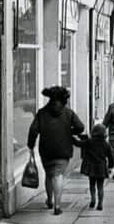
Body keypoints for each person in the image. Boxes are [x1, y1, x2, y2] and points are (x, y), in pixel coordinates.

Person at [27, 86, 85, 215]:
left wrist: (30, 145)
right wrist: (70, 131)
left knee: (49, 174)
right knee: (58, 175)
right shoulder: (68, 113)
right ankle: (57, 206)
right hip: (63, 148)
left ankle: (49, 200)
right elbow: (80, 127)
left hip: (46, 149)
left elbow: (33, 130)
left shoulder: (41, 113)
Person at [72, 123, 114, 211]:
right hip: (101, 167)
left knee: (92, 184)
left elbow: (79, 144)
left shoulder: (89, 141)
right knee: (100, 186)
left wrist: (72, 138)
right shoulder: (106, 144)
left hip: (91, 167)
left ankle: (93, 199)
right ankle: (100, 203)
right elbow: (110, 157)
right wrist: (110, 166)